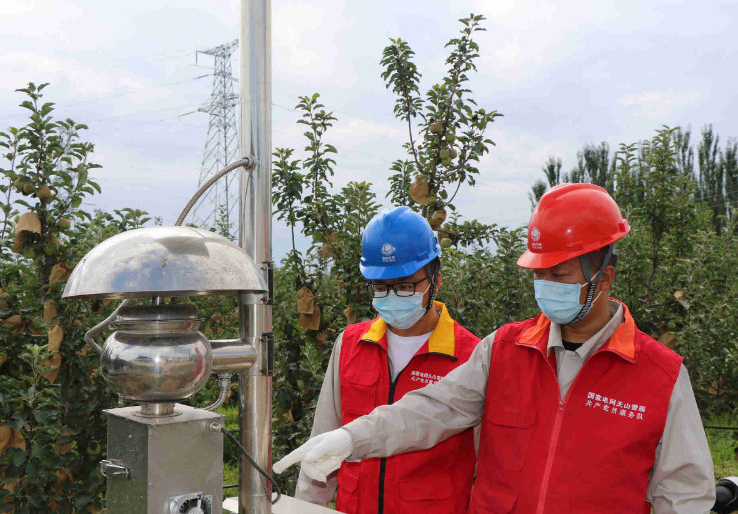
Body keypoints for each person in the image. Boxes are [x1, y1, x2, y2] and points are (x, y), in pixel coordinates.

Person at [275, 184, 716, 514]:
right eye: (539, 274)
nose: (545, 286)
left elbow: (683, 494)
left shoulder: (659, 375)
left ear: (605, 277)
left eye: (559, 275)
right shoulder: (504, 350)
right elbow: (431, 409)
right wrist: (351, 437)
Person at [293, 206, 481, 514]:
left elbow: (488, 466)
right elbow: (322, 443)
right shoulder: (351, 344)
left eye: (405, 286)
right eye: (381, 287)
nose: (392, 296)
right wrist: (305, 509)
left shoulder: (469, 356)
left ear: (436, 281)